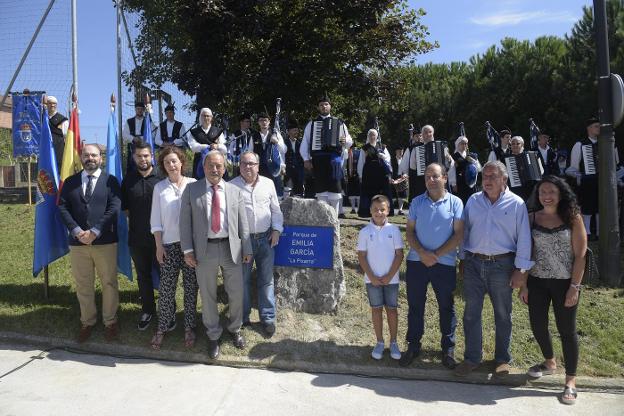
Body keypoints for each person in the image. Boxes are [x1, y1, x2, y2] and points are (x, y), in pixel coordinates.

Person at [455, 161, 533, 377]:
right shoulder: (473, 200)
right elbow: (465, 232)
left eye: (492, 177)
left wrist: (521, 270)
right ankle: (472, 359)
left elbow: (524, 239)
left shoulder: (516, 204)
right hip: (473, 263)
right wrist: (462, 259)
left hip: (502, 265)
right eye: (484, 177)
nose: (487, 181)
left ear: (504, 180)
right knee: (471, 314)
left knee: (503, 314)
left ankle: (502, 359)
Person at [519, 175, 587, 405]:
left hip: (565, 282)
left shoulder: (573, 218)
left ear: (561, 194)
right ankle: (549, 362)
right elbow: (527, 253)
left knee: (566, 330)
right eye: (542, 193)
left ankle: (570, 381)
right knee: (537, 325)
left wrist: (574, 288)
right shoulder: (531, 218)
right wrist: (524, 284)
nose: (546, 196)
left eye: (551, 192)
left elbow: (580, 255)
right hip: (537, 281)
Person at [179, 150, 253, 359]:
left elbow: (242, 222)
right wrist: (188, 250)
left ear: (225, 168)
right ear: (203, 167)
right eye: (210, 165)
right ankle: (213, 334)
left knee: (236, 293)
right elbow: (184, 223)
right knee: (208, 294)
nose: (214, 169)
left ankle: (235, 328)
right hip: (205, 250)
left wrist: (247, 248)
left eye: (219, 165)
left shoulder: (234, 191)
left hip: (232, 249)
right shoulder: (192, 190)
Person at [400, 163, 463, 369]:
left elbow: (459, 235)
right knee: (415, 306)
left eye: (435, 176)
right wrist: (422, 253)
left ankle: (448, 349)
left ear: (445, 178)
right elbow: (409, 232)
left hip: (443, 264)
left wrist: (435, 255)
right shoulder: (417, 202)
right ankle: (413, 345)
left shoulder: (456, 203)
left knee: (446, 306)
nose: (431, 180)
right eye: (427, 176)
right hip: (417, 263)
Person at [58, 143, 121, 343]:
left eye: (94, 155)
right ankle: (87, 321)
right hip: (78, 244)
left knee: (109, 283)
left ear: (101, 158)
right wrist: (77, 231)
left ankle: (110, 322)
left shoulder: (110, 181)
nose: (90, 158)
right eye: (86, 155)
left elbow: (115, 207)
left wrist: (95, 231)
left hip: (105, 241)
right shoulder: (70, 182)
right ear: (81, 158)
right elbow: (62, 208)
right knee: (83, 284)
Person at [149, 146, 199, 349]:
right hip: (168, 246)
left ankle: (189, 327)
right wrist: (158, 246)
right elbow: (156, 221)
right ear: (163, 165)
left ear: (181, 163)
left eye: (174, 161)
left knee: (190, 288)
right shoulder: (159, 188)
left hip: (191, 248)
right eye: (167, 162)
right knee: (167, 289)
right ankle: (162, 326)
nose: (171, 165)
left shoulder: (194, 184)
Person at [230, 151, 283, 336]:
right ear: (239, 166)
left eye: (251, 163)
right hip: (243, 242)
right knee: (242, 281)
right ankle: (243, 318)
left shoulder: (268, 184)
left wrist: (277, 230)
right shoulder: (231, 186)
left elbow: (276, 210)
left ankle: (268, 318)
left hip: (266, 239)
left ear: (258, 166)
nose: (247, 167)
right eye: (244, 163)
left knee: (266, 280)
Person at [356, 194, 404, 361]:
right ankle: (379, 342)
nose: (379, 212)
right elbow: (361, 256)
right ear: (370, 211)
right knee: (376, 310)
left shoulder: (395, 230)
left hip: (391, 280)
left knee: (392, 310)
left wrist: (389, 275)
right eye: (375, 209)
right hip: (372, 280)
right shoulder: (364, 232)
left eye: (382, 209)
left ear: (388, 211)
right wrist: (372, 276)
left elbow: (399, 255)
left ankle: (394, 343)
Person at [121, 140, 160, 330]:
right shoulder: (128, 180)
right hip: (137, 238)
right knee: (143, 276)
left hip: (161, 239)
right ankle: (148, 310)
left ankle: (168, 310)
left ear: (151, 155)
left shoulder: (163, 177)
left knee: (164, 276)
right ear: (134, 157)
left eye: (146, 155)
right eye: (139, 156)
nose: (143, 159)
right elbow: (126, 209)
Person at [300, 96, 353, 217]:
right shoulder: (312, 124)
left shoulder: (339, 122)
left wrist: (346, 141)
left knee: (335, 189)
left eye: (326, 104)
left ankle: (334, 217)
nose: (324, 107)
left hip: (334, 160)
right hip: (318, 160)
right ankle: (322, 217)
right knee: (321, 188)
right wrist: (306, 159)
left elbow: (349, 140)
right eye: (321, 105)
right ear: (318, 107)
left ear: (330, 106)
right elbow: (305, 142)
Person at [566, 117, 605, 239]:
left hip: (602, 181)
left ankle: (600, 232)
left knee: (600, 206)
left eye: (599, 126)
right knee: (587, 206)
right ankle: (587, 232)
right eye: (596, 126)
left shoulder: (604, 144)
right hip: (587, 181)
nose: (598, 129)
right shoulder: (580, 145)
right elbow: (572, 168)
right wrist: (580, 176)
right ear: (589, 128)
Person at [357, 129, 393, 218]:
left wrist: (383, 156)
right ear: (368, 136)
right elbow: (361, 162)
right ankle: (366, 212)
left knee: (383, 192)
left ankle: (385, 210)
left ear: (377, 136)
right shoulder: (364, 148)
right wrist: (360, 175)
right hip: (368, 174)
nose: (372, 137)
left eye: (374, 135)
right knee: (368, 192)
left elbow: (388, 159)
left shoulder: (382, 146)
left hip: (381, 174)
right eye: (370, 135)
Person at [252, 113, 287, 196]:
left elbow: (284, 149)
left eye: (265, 120)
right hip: (259, 168)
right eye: (261, 120)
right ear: (258, 122)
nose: (264, 122)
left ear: (269, 122)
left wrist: (277, 142)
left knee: (276, 192)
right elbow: (250, 153)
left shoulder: (276, 134)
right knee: (261, 192)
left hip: (274, 168)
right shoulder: (254, 136)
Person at [188, 107, 227, 178]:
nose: (206, 118)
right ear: (200, 117)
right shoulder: (194, 132)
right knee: (199, 184)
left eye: (208, 116)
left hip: (216, 161)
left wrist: (217, 146)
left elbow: (224, 149)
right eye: (204, 115)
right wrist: (207, 146)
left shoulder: (218, 131)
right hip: (199, 161)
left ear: (211, 118)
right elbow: (193, 147)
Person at [449, 136, 481, 205]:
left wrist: (473, 161)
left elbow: (479, 168)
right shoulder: (454, 157)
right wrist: (453, 184)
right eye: (462, 143)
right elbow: (452, 171)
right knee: (462, 201)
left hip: (471, 183)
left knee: (473, 201)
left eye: (466, 144)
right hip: (460, 183)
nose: (464, 145)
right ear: (458, 144)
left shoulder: (472, 155)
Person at [504, 136, 535, 202]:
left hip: (530, 188)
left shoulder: (530, 156)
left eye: (518, 143)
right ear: (510, 146)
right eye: (513, 144)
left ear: (522, 145)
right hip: (513, 189)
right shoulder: (505, 158)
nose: (515, 145)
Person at [228, 112, 255, 177]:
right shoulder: (235, 134)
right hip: (238, 162)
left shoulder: (253, 133)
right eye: (247, 121)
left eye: (249, 122)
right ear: (241, 122)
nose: (249, 123)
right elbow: (231, 149)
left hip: (250, 162)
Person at [122, 101, 147, 172]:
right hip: (133, 146)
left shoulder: (148, 121)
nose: (139, 110)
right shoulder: (129, 121)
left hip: (144, 146)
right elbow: (125, 134)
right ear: (135, 110)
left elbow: (152, 133)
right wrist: (133, 138)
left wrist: (142, 139)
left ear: (144, 110)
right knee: (132, 165)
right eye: (138, 109)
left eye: (141, 109)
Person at [283, 118, 305, 197]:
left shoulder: (301, 142)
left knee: (299, 191)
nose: (296, 132)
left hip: (299, 170)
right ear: (289, 132)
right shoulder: (284, 142)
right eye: (294, 130)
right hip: (288, 169)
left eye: (297, 130)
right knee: (287, 189)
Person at [46, 96, 68, 170]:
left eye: (54, 103)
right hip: (46, 148)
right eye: (50, 103)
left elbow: (66, 136)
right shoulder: (43, 118)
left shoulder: (63, 120)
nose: (52, 105)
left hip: (59, 150)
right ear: (46, 105)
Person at [390, 148, 407, 215]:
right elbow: (389, 169)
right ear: (396, 152)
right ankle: (391, 209)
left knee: (402, 195)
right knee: (393, 194)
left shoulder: (404, 160)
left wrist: (405, 175)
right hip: (393, 178)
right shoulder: (392, 160)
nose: (400, 152)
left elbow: (407, 169)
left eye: (401, 151)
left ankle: (400, 210)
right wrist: (390, 178)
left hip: (402, 178)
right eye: (399, 151)